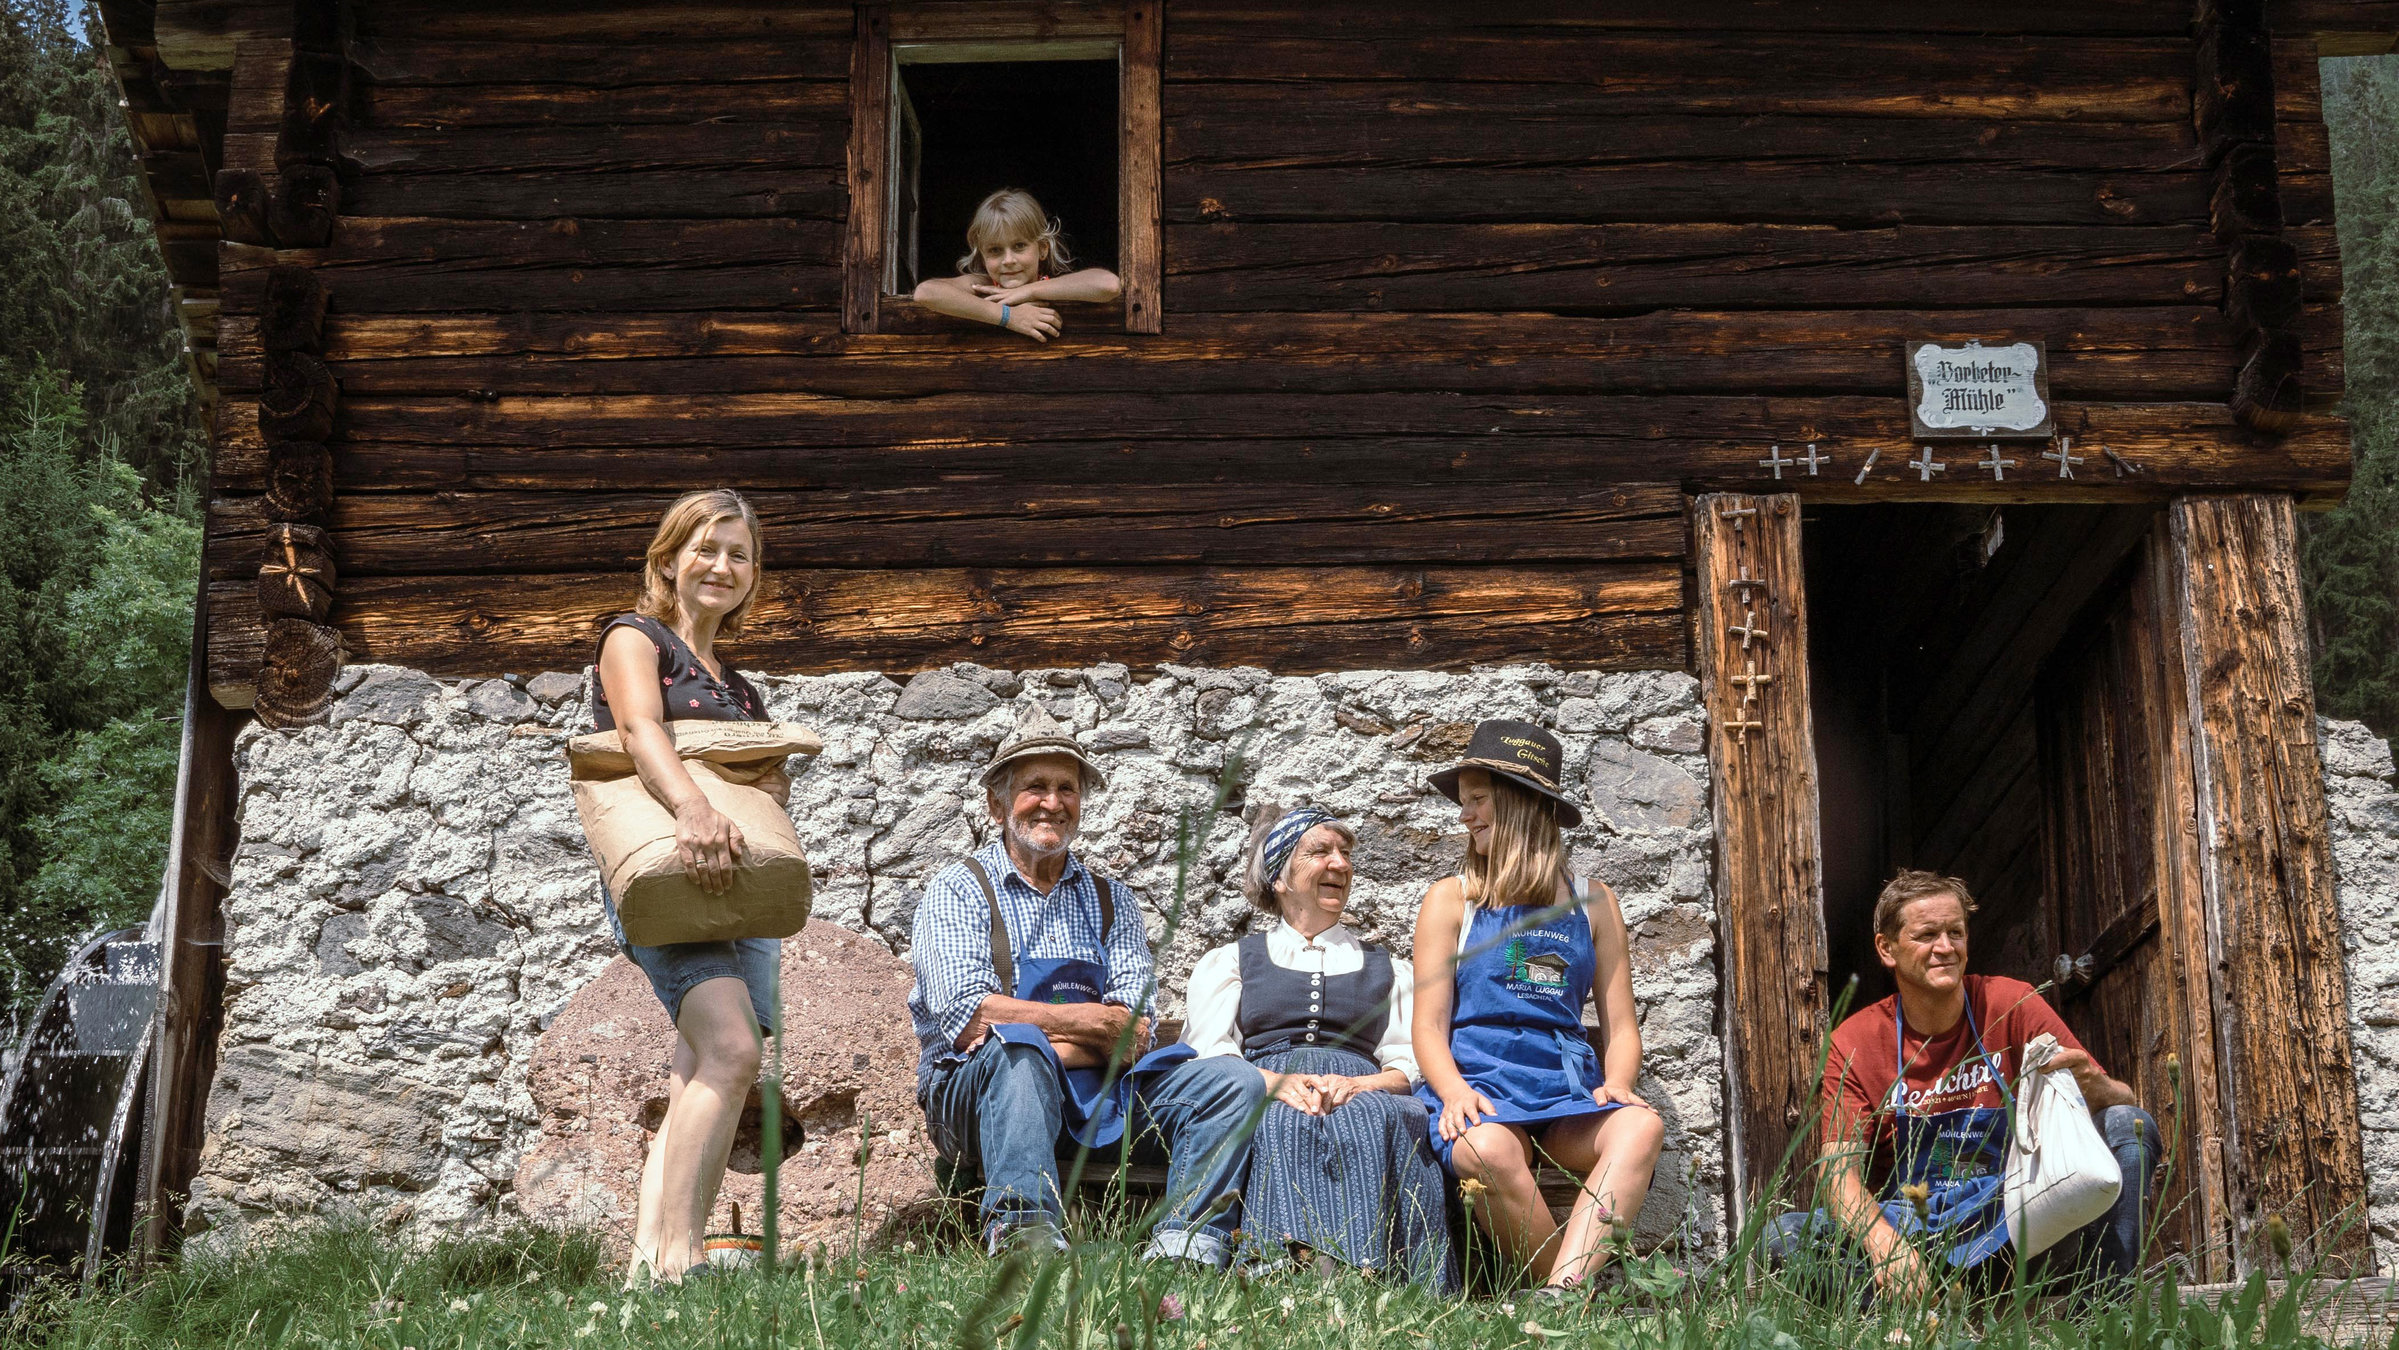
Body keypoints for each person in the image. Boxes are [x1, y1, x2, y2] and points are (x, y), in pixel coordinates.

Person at [908, 707, 1265, 1264]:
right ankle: (1025, 1234)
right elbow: (970, 1018)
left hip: (1104, 1096)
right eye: (1035, 787)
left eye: (1067, 788)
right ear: (997, 805)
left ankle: (1187, 1245)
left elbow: (1136, 1033)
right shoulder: (960, 889)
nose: (1052, 802)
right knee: (1017, 1053)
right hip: (979, 1103)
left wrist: (1054, 1033)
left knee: (1232, 1081)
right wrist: (1094, 1024)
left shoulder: (1110, 899)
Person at [1764, 870, 2160, 1303]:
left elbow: (2123, 1104)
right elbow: (1838, 1174)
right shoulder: (1855, 1041)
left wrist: (2093, 1083)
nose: (1946, 947)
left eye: (1955, 932)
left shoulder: (2011, 1003)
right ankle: (1918, 1309)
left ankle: (2103, 1312)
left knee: (2127, 1124)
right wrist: (1883, 1243)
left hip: (2015, 1214)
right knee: (1781, 1236)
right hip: (1914, 1228)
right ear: (1886, 948)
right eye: (1927, 935)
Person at [590, 488, 793, 1284]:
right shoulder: (632, 637)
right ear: (668, 560)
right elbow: (638, 729)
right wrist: (695, 807)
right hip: (673, 873)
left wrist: (764, 790)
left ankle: (647, 1265)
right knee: (733, 1049)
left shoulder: (740, 688)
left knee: (701, 1070)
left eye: (739, 555)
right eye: (705, 548)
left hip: (737, 881)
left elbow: (757, 786)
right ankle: (683, 1261)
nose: (721, 566)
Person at [1411, 721, 1666, 1298]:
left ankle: (1559, 1299)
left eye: (1478, 799)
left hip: (1565, 1095)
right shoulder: (1452, 900)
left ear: (1520, 805)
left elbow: (1622, 1027)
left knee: (1642, 1126)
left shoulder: (1594, 902)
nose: (1465, 815)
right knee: (1487, 1149)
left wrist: (1619, 1082)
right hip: (1480, 1089)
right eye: (1465, 802)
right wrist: (1452, 1091)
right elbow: (1427, 1025)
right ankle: (1570, 1296)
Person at [1179, 804, 1458, 1292]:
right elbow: (1210, 1050)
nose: (1340, 864)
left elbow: (1409, 1063)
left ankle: (1381, 1277)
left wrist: (1363, 1085)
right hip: (1262, 1081)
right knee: (1280, 1115)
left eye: (1345, 853)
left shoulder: (1387, 967)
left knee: (1372, 1115)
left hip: (1364, 1084)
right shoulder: (1233, 961)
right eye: (1320, 852)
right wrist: (1271, 1082)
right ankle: (1283, 1267)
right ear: (1279, 878)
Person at [910, 187, 1121, 343]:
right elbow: (926, 293)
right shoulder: (984, 285)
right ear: (982, 255)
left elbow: (1108, 285)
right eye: (995, 250)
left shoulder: (1053, 284)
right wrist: (1008, 317)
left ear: (1043, 248)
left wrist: (1029, 291)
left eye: (1019, 246)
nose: (1008, 260)